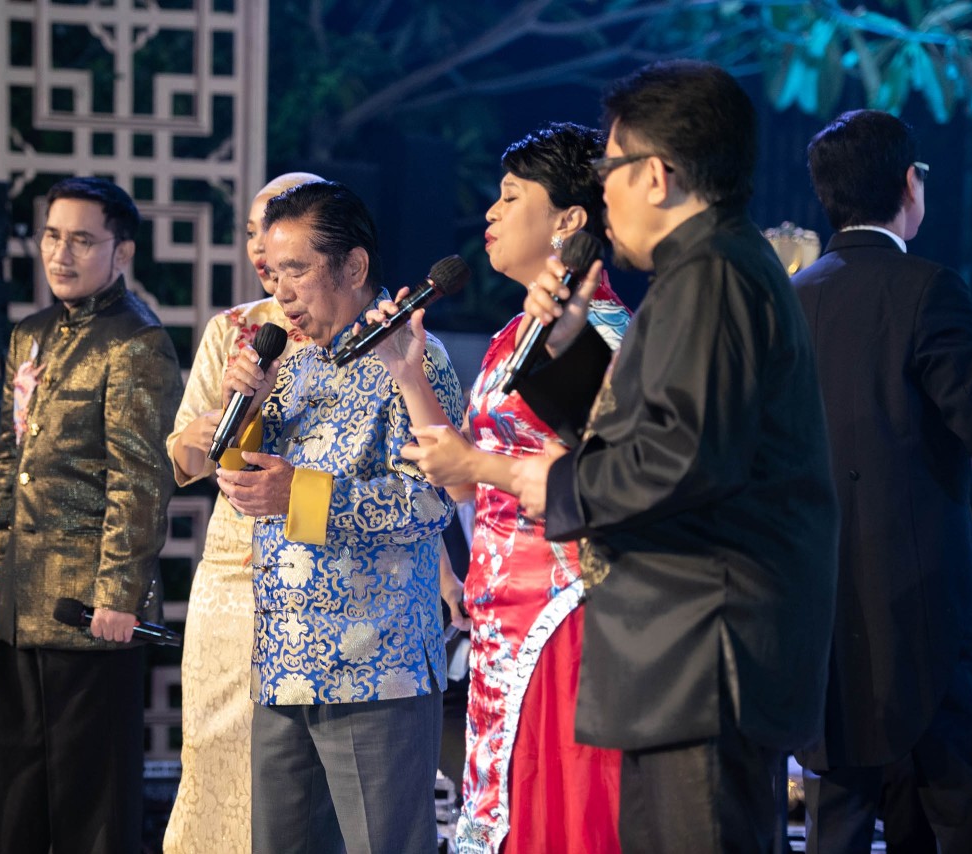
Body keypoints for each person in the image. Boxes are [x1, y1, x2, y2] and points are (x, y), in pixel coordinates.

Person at [510, 60, 839, 853]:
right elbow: (659, 428)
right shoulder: (707, 269)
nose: (604, 194)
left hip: (706, 650)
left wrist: (555, 483)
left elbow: (686, 456)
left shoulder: (713, 274)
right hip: (691, 652)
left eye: (610, 170)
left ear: (656, 176)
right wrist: (566, 348)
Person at [366, 122, 630, 854]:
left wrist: (475, 467)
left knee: (560, 812)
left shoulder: (606, 334)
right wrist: (407, 373)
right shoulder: (511, 335)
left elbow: (614, 480)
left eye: (512, 197)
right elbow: (464, 479)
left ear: (569, 220)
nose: (490, 212)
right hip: (498, 608)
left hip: (568, 608)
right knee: (502, 806)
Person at [215, 180, 464, 854]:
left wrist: (298, 494)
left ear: (353, 267)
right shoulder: (289, 365)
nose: (281, 291)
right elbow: (246, 482)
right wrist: (247, 407)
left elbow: (431, 500)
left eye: (296, 270)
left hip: (375, 669)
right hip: (283, 662)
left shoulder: (415, 359)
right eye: (272, 273)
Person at [0, 176, 182, 854]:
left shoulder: (136, 341)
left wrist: (119, 592)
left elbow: (140, 481)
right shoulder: (30, 335)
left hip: (90, 609)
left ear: (122, 252)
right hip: (21, 597)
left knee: (89, 801)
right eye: (52, 236)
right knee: (15, 785)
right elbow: (12, 461)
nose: (60, 254)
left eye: (82, 240)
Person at [791, 109, 972, 853]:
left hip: (819, 612)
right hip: (925, 614)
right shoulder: (928, 289)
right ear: (909, 184)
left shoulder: (791, 298)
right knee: (955, 810)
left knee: (835, 821)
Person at [161, 171, 320, 854]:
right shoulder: (234, 330)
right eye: (253, 231)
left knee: (296, 773)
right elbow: (184, 453)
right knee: (213, 747)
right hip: (232, 573)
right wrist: (213, 425)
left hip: (321, 565)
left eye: (276, 229)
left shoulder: (358, 334)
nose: (260, 247)